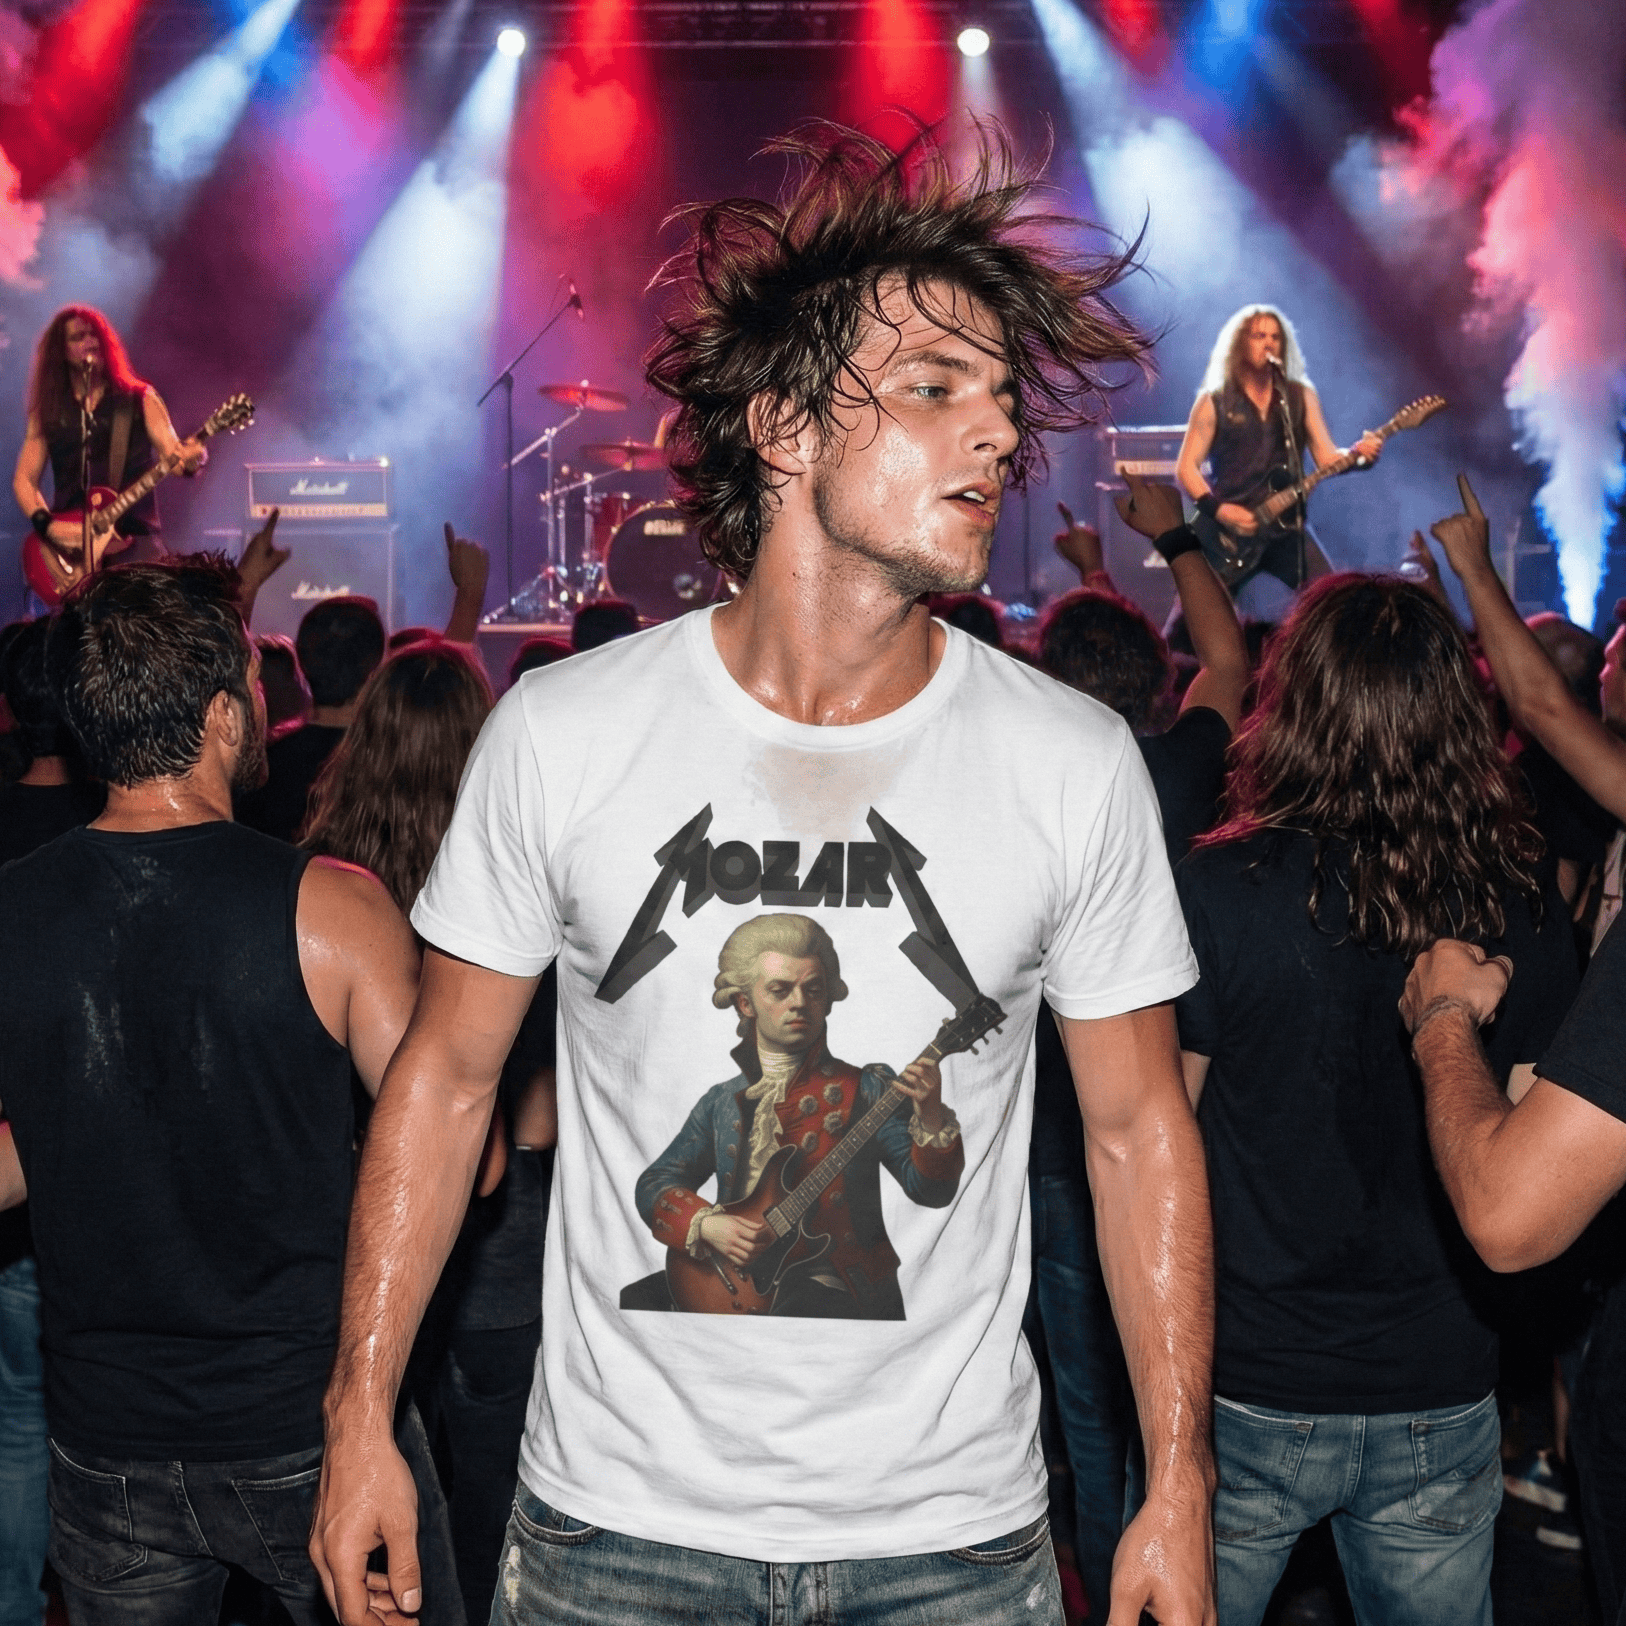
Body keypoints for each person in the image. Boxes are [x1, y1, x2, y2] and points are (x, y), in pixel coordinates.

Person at [310, 124, 1215, 1626]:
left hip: (952, 1541)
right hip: (615, 1527)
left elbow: (1135, 1135)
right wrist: (358, 1418)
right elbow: (443, 1081)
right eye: (934, 389)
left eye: (1000, 401)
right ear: (785, 426)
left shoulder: (1070, 760)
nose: (993, 434)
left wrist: (1174, 1487)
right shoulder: (564, 732)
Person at [0, 558, 464, 1626]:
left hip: (106, 1443)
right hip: (310, 1428)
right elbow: (464, 1159)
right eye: (254, 685)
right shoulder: (332, 908)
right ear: (222, 713)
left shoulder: (12, 910)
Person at [1174, 573, 1578, 1626]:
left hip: (1246, 1378)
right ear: (1459, 708)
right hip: (1434, 1382)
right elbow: (1535, 1152)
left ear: (1291, 700)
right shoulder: (1520, 900)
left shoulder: (1219, 890)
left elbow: (1157, 1144)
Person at [301, 638, 547, 1626]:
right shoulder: (515, 871)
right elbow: (530, 1113)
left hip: (356, 1224)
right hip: (501, 1230)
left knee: (388, 1480)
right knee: (490, 1501)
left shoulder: (320, 882)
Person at [622, 912, 962, 1319]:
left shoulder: (868, 1089)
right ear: (745, 1002)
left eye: (812, 989)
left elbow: (931, 1192)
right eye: (780, 990)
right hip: (736, 1280)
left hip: (838, 1282)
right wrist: (708, 1225)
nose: (799, 1003)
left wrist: (930, 1117)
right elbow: (657, 1182)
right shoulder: (721, 1102)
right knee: (635, 1303)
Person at [0, 618, 104, 1626]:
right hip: (90, 1171)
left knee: (21, 1420)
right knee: (94, 1425)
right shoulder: (105, 839)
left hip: (17, 1173)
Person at [1175, 304, 1381, 610]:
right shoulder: (1213, 401)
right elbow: (1186, 468)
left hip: (1285, 527)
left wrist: (1361, 457)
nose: (1269, 343)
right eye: (1259, 336)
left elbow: (1326, 457)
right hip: (1229, 531)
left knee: (1332, 604)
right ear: (1241, 343)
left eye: (1275, 337)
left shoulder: (1299, 396)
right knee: (1193, 619)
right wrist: (1219, 511)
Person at [11, 306, 207, 587]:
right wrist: (48, 525)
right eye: (78, 337)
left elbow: (174, 457)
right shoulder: (50, 409)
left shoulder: (140, 399)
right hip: (69, 548)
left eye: (95, 335)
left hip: (132, 545)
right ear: (61, 352)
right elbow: (24, 479)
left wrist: (193, 459)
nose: (90, 342)